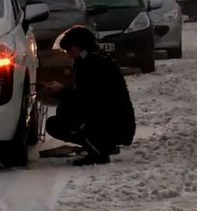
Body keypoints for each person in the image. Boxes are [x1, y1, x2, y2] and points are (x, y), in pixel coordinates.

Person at [43, 26, 136, 166]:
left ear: (79, 47)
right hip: (114, 121)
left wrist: (61, 91)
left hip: (114, 124)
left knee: (59, 123)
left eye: (70, 50)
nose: (69, 55)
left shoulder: (93, 64)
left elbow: (86, 100)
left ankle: (98, 150)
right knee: (64, 113)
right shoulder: (94, 60)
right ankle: (101, 144)